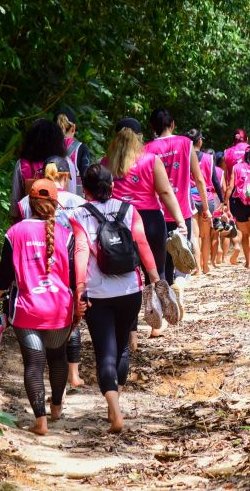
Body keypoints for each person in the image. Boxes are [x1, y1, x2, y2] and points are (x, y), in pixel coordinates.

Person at [71, 165, 162, 433]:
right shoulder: (128, 209)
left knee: (104, 353)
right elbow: (142, 244)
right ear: (112, 185)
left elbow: (80, 250)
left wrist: (79, 288)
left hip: (98, 294)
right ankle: (115, 406)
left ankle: (114, 409)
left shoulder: (79, 214)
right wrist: (156, 280)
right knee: (122, 348)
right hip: (129, 290)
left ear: (84, 189)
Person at [0, 179, 77, 435]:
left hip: (27, 310)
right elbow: (71, 276)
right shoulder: (65, 233)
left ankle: (40, 422)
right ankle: (57, 408)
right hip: (60, 309)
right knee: (57, 357)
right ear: (55, 204)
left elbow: (4, 274)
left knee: (33, 365)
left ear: (30, 203)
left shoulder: (14, 232)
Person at [103, 117, 187, 342]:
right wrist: (180, 222)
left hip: (117, 222)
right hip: (149, 221)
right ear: (140, 138)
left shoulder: (105, 163)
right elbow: (166, 193)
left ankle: (130, 332)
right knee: (156, 272)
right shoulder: (151, 160)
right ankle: (156, 325)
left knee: (127, 276)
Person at [18, 155, 86, 388]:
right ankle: (73, 374)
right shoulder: (78, 201)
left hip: (33, 269)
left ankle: (47, 384)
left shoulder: (28, 200)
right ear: (66, 176)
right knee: (71, 321)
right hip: (67, 267)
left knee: (38, 340)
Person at [145, 108, 210, 285]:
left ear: (153, 126)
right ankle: (180, 284)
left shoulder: (147, 149)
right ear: (172, 124)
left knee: (163, 258)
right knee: (182, 255)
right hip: (182, 210)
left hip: (157, 212)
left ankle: (167, 298)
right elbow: (198, 178)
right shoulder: (186, 143)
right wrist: (206, 208)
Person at [10, 119, 76, 222]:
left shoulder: (23, 164)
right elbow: (72, 197)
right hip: (61, 225)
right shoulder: (66, 163)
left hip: (30, 225)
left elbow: (15, 206)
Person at [186, 130, 224, 274]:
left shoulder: (185, 157)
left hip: (190, 199)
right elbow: (215, 180)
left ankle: (197, 268)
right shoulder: (208, 158)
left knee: (195, 236)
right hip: (207, 199)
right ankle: (206, 265)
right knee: (206, 235)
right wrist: (222, 200)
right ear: (200, 141)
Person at [55, 109, 90, 196]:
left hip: (53, 200)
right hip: (75, 201)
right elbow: (86, 178)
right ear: (73, 128)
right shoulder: (81, 148)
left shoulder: (48, 148)